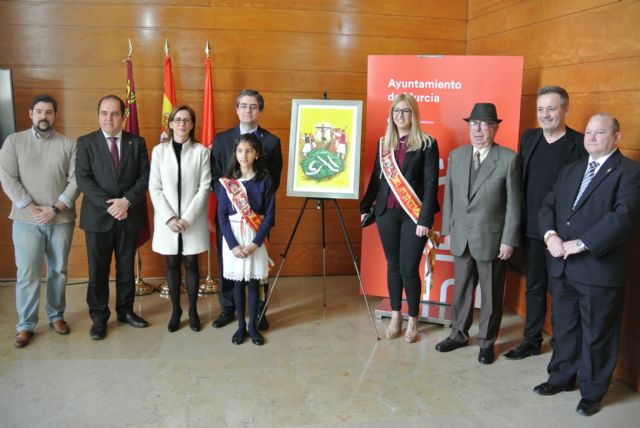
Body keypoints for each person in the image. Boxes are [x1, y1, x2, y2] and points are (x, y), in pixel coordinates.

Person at [534, 113, 640, 416]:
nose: (591, 138)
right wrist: (550, 235)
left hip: (599, 269)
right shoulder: (572, 169)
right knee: (564, 327)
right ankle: (561, 377)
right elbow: (549, 205)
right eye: (588, 132)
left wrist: (580, 244)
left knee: (597, 334)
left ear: (617, 137)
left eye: (599, 133)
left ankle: (592, 392)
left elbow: (623, 217)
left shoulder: (629, 173)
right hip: (563, 265)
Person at [504, 86, 587, 360]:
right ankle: (531, 340)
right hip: (531, 229)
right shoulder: (530, 138)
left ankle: (565, 346)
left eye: (551, 108)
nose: (545, 115)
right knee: (535, 286)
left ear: (565, 109)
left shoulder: (580, 144)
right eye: (541, 109)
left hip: (563, 236)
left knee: (562, 292)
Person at [435, 103, 521, 364]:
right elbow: (449, 195)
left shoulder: (508, 159)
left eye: (484, 125)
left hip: (492, 240)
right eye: (474, 124)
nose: (478, 130)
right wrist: (448, 230)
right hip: (461, 237)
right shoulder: (457, 156)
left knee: (491, 294)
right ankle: (458, 334)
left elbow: (514, 204)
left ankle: (486, 342)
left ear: (495, 129)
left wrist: (508, 239)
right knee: (461, 289)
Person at [0, 94, 80, 348]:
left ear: (55, 115)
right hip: (26, 219)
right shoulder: (13, 142)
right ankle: (26, 325)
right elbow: (7, 178)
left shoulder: (69, 144)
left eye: (49, 112)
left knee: (58, 271)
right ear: (31, 114)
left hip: (61, 219)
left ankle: (56, 316)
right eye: (39, 112)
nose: (44, 116)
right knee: (27, 272)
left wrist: (55, 208)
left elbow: (76, 179)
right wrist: (30, 206)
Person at [360, 93, 440, 343]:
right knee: (392, 266)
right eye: (396, 111)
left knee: (408, 268)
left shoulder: (427, 143)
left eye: (405, 111)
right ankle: (396, 315)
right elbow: (376, 177)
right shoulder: (384, 143)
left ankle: (413, 318)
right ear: (391, 115)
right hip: (387, 213)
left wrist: (425, 220)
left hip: (414, 216)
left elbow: (430, 184)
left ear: (413, 114)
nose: (400, 116)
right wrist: (365, 205)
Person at [75, 95, 150, 340]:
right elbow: (84, 179)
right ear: (98, 116)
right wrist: (111, 206)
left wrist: (126, 201)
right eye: (104, 113)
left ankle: (126, 311)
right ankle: (98, 318)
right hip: (98, 218)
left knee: (126, 268)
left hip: (129, 215)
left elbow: (144, 177)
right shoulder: (86, 142)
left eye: (115, 113)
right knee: (98, 270)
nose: (109, 118)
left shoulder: (136, 142)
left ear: (124, 116)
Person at [210, 89, 282, 331]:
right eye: (243, 105)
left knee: (257, 266)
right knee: (230, 262)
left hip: (257, 218)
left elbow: (275, 180)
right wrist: (230, 200)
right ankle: (228, 308)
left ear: (259, 110)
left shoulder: (271, 142)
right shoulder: (222, 140)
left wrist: (253, 207)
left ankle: (259, 312)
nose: (247, 110)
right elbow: (214, 177)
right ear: (236, 109)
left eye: (253, 106)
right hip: (229, 216)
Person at [149, 105, 211, 333]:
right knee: (172, 263)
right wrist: (169, 218)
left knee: (192, 263)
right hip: (168, 222)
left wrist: (187, 218)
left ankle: (193, 310)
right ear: (171, 123)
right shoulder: (159, 151)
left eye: (187, 120)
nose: (182, 124)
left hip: (192, 221)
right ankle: (176, 310)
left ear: (192, 125)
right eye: (178, 120)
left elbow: (204, 189)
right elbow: (154, 188)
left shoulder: (201, 152)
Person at [217, 133, 275, 345]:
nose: (244, 155)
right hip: (233, 238)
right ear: (235, 153)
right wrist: (233, 245)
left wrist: (254, 243)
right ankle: (240, 326)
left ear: (257, 154)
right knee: (237, 284)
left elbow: (269, 216)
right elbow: (222, 215)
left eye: (249, 150)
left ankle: (252, 326)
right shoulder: (229, 182)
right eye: (240, 150)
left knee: (252, 282)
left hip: (254, 236)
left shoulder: (264, 180)